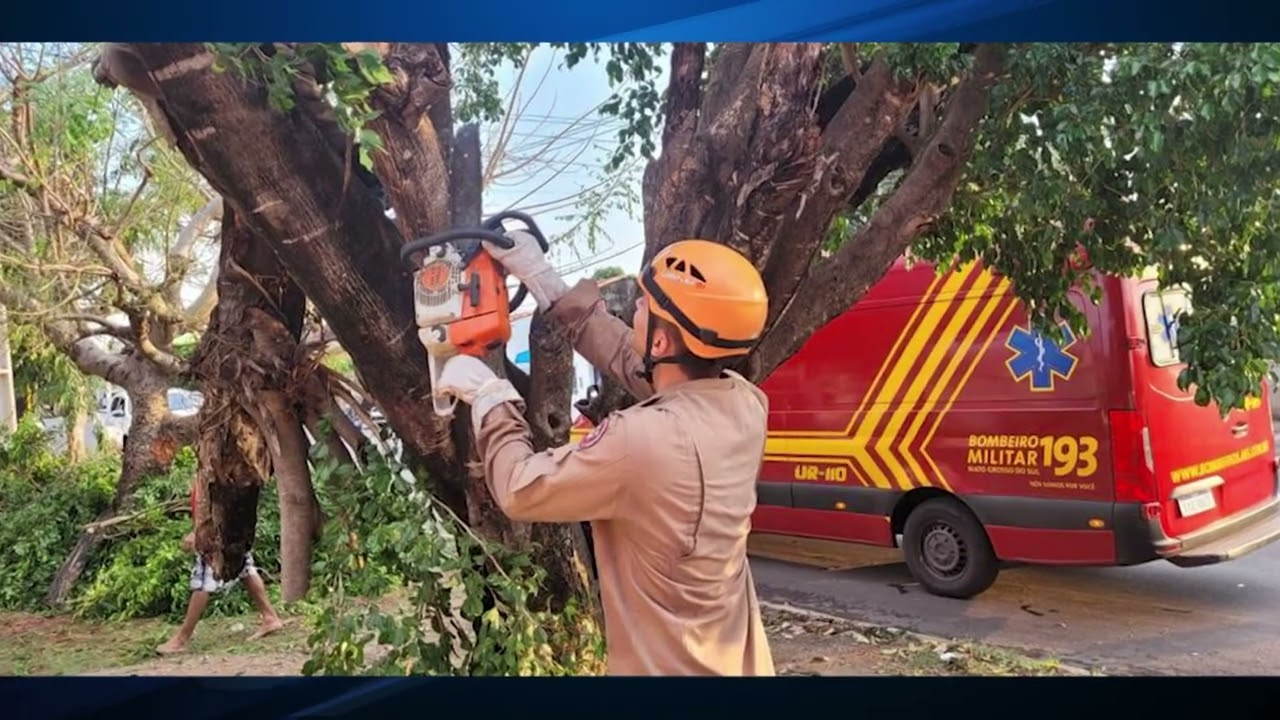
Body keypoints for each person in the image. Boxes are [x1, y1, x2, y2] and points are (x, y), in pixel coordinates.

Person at [428, 228, 775, 676]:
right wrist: (545, 281)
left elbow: (520, 489)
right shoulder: (745, 402)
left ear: (662, 344)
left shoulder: (642, 441)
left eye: (643, 306)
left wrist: (493, 400)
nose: (633, 309)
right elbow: (638, 365)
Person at [156, 479, 284, 655]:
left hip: (216, 534)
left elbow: (221, 501)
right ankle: (270, 617)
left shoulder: (216, 463)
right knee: (245, 569)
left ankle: (181, 639)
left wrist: (199, 533)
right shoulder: (207, 462)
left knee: (202, 581)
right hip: (224, 530)